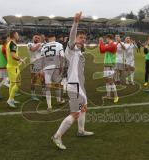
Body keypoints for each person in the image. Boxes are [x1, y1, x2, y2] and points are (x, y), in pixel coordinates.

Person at [52, 12, 94, 150]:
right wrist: (75, 23)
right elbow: (71, 37)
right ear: (75, 39)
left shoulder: (79, 52)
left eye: (84, 38)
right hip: (73, 85)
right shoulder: (70, 49)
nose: (83, 39)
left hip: (80, 86)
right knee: (75, 113)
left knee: (84, 108)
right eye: (81, 37)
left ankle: (81, 131)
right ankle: (57, 136)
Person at [40, 34, 65, 111]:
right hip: (56, 66)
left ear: (48, 38)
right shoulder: (59, 45)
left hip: (46, 68)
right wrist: (62, 66)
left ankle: (49, 106)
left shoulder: (43, 46)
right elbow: (62, 56)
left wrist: (41, 69)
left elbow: (41, 59)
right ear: (54, 38)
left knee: (48, 87)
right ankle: (59, 100)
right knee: (57, 84)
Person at [6, 31, 26, 108]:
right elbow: (13, 55)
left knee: (12, 84)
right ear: (14, 35)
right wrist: (21, 59)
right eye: (17, 34)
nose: (18, 36)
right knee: (18, 84)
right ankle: (10, 100)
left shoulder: (9, 43)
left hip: (11, 66)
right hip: (13, 67)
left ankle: (11, 99)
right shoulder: (12, 44)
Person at [99, 34, 119, 103]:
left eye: (106, 39)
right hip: (107, 64)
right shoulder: (108, 45)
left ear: (108, 38)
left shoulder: (113, 45)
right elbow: (101, 51)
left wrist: (101, 42)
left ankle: (116, 96)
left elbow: (103, 48)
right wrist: (100, 43)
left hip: (110, 65)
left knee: (110, 81)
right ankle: (108, 95)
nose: (105, 40)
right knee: (107, 80)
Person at [27, 34, 42, 101]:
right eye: (35, 37)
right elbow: (33, 49)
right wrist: (39, 44)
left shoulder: (42, 45)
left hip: (41, 64)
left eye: (38, 38)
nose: (37, 39)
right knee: (34, 79)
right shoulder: (29, 44)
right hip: (34, 63)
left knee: (43, 78)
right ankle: (33, 95)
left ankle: (44, 93)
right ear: (33, 38)